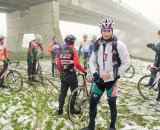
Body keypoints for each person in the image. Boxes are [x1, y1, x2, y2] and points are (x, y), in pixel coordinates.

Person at [81, 18, 131, 130]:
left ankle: (112, 127)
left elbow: (127, 63)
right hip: (99, 80)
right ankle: (91, 126)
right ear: (101, 31)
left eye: (109, 30)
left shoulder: (120, 45)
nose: (106, 33)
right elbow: (91, 61)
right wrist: (95, 74)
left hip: (112, 81)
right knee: (93, 103)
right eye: (104, 30)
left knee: (112, 105)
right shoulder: (97, 45)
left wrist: (112, 74)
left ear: (112, 31)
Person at [57, 35, 87, 115]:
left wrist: (61, 72)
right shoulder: (73, 50)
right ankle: (71, 109)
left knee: (63, 92)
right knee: (74, 92)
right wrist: (83, 71)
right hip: (71, 75)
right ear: (73, 42)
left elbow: (59, 64)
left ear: (66, 42)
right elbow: (76, 63)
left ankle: (60, 109)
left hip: (63, 75)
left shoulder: (61, 50)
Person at [146, 30, 160, 102]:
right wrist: (153, 47)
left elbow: (159, 51)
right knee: (153, 72)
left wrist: (154, 47)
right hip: (157, 61)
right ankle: (151, 83)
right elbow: (157, 50)